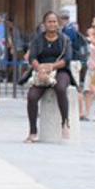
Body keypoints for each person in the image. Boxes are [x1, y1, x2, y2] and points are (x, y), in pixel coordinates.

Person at [22, 11, 74, 142]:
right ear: (44, 24)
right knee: (32, 96)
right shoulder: (37, 39)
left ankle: (65, 123)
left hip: (60, 70)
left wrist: (52, 67)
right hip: (41, 71)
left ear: (58, 24)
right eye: (49, 21)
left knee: (60, 88)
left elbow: (67, 59)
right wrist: (40, 69)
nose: (52, 24)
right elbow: (32, 57)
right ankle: (33, 132)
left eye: (54, 21)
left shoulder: (65, 39)